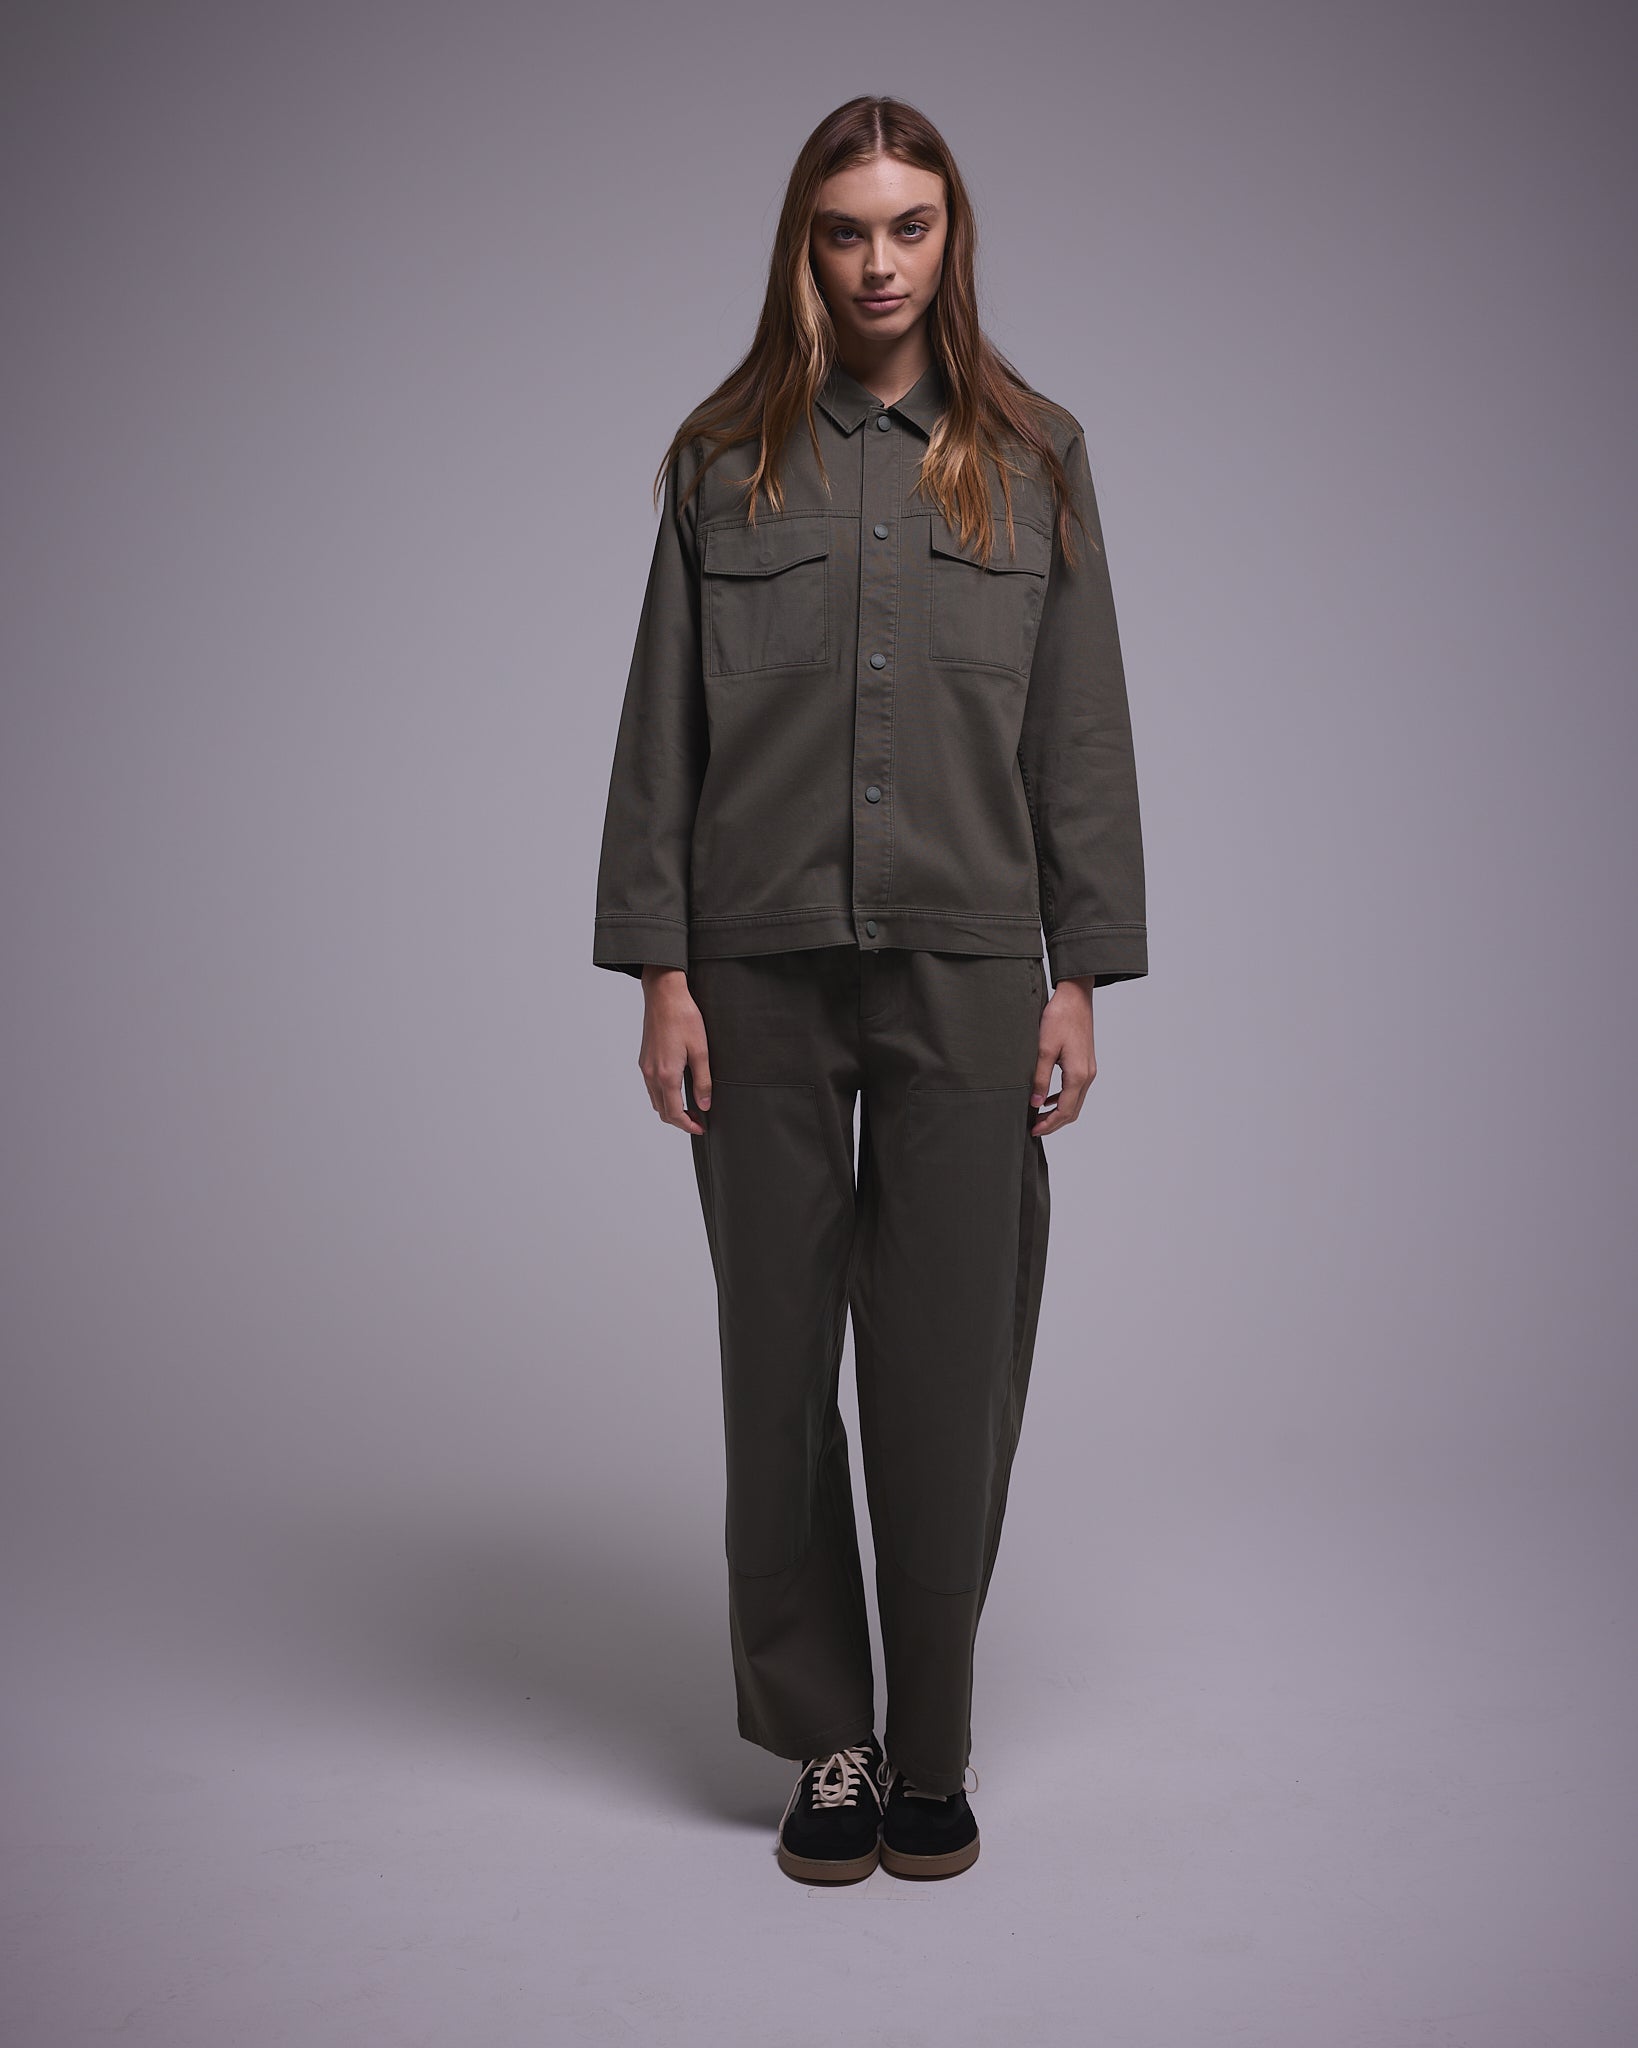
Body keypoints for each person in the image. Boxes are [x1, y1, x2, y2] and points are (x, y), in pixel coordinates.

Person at [592, 95, 1147, 1884]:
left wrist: (1080, 976)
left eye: (910, 225)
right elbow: (660, 734)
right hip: (752, 966)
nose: (879, 262)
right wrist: (661, 972)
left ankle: (930, 1744)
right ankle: (825, 1740)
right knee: (773, 1366)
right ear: (804, 246)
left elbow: (1077, 732)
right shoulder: (720, 458)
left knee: (945, 1367)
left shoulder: (1035, 454)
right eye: (846, 229)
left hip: (971, 967)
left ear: (950, 236)